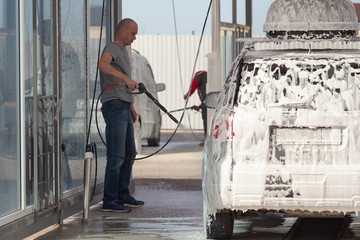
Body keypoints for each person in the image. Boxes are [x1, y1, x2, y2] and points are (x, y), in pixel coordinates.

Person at [98, 18, 144, 212]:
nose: (135, 37)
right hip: (114, 106)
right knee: (116, 156)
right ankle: (109, 200)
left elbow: (123, 85)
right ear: (123, 31)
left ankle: (122, 194)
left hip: (124, 106)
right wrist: (127, 79)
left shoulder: (125, 52)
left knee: (129, 153)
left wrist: (131, 107)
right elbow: (102, 65)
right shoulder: (113, 48)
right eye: (133, 33)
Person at [184, 71, 207, 145]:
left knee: (206, 121)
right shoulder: (207, 76)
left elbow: (193, 85)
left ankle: (207, 139)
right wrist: (199, 106)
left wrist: (187, 95)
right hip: (211, 101)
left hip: (206, 102)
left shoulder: (199, 75)